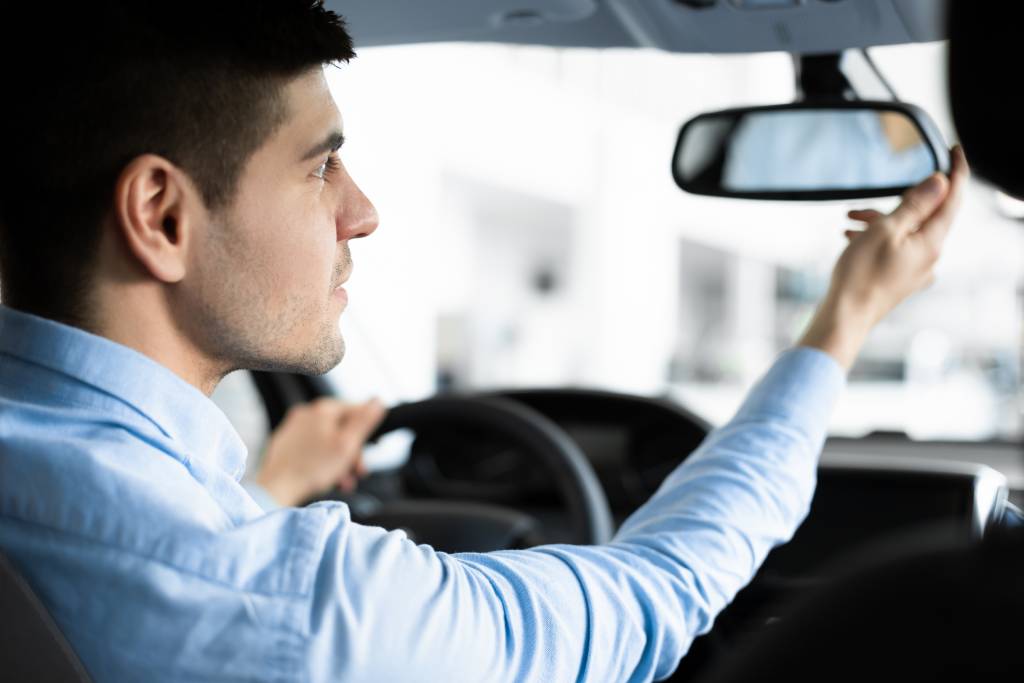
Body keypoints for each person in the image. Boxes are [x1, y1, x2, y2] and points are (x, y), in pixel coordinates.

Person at [0, 2, 967, 681]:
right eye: (318, 167)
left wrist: (268, 488)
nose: (362, 211)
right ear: (162, 215)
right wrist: (845, 319)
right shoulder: (302, 605)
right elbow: (659, 588)